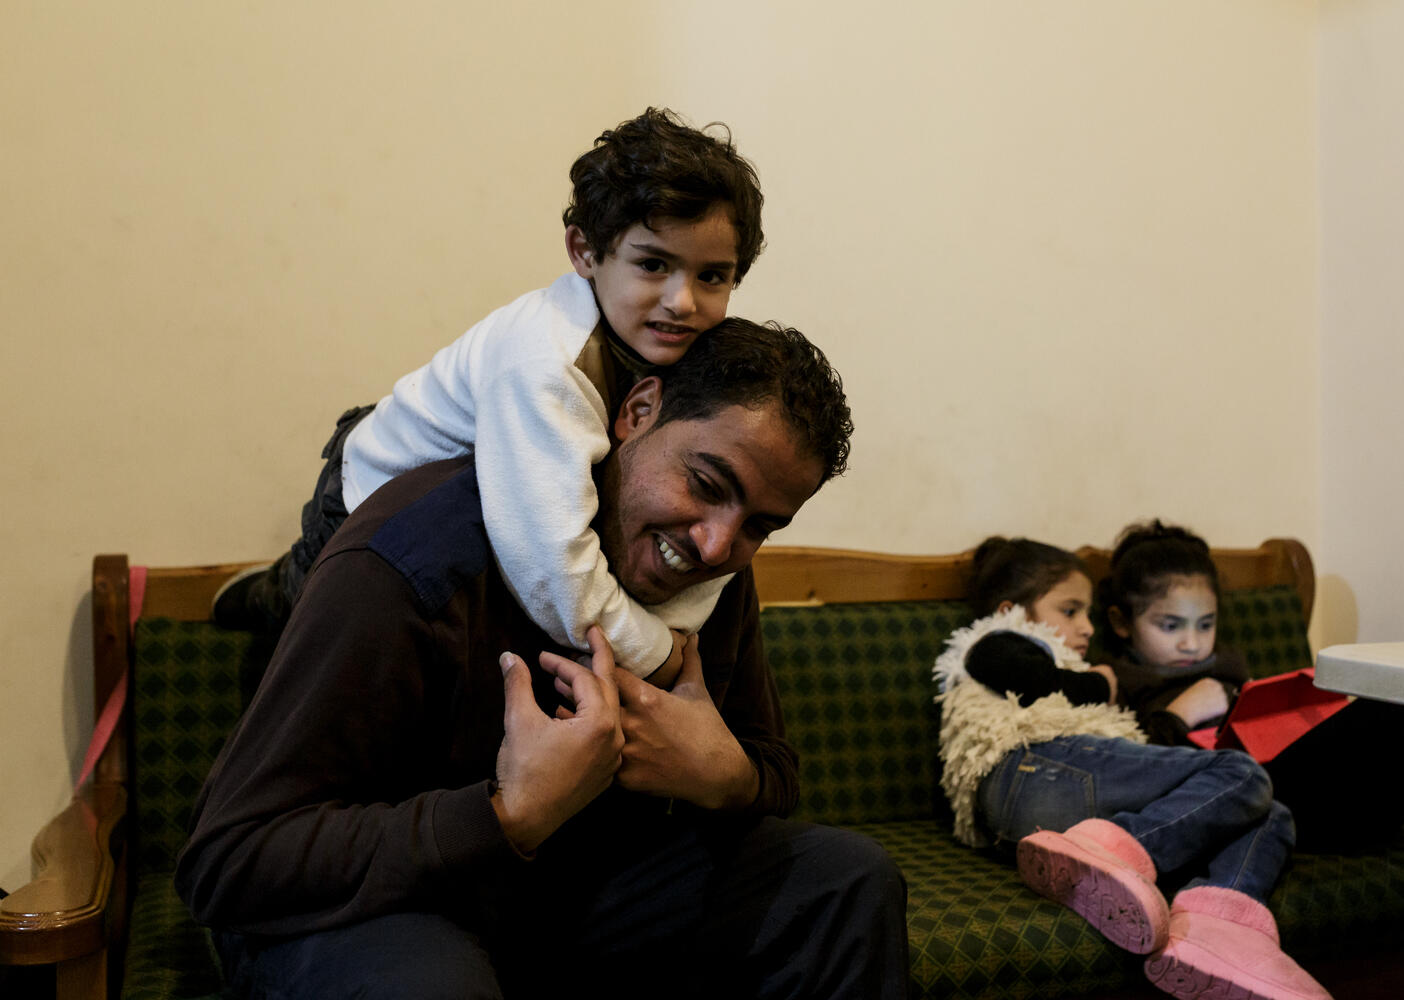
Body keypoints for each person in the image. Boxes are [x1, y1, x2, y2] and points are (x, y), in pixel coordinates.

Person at [175, 319, 908, 999]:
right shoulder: (414, 560)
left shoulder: (708, 575)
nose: (718, 546)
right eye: (707, 485)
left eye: (759, 527)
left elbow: (771, 770)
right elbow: (230, 861)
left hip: (562, 902)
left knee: (847, 885)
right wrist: (510, 812)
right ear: (638, 411)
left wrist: (728, 776)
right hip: (376, 906)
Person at [213, 107, 767, 688]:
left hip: (479, 505)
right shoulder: (546, 365)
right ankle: (269, 595)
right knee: (311, 633)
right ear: (584, 252)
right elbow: (552, 568)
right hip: (372, 493)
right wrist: (657, 653)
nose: (682, 300)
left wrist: (669, 632)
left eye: (712, 277)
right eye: (653, 264)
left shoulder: (676, 344)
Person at [934, 537, 1329, 1000]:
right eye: (1070, 610)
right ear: (1009, 611)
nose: (1086, 628)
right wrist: (1100, 683)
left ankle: (1216, 931)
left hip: (1043, 812)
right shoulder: (995, 642)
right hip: (1032, 768)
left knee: (1272, 811)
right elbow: (1024, 673)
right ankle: (1115, 855)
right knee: (1240, 774)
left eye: (1087, 612)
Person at [1097, 519, 1404, 851]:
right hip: (1255, 806)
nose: (1191, 642)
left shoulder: (1229, 667)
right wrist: (1176, 716)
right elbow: (1123, 780)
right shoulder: (1116, 684)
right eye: (1170, 626)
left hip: (1328, 798)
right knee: (1401, 709)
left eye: (1206, 624)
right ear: (1120, 622)